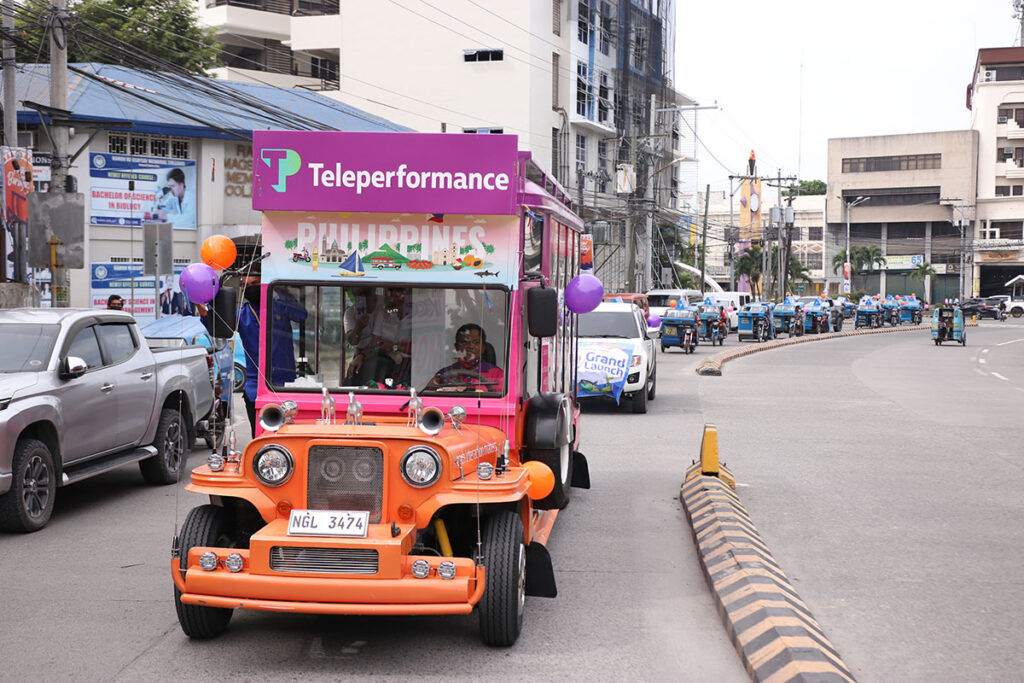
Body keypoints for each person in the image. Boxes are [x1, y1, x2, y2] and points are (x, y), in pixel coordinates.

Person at [425, 323, 503, 391]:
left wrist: (468, 390)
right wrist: (431, 386)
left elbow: (504, 404)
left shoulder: (497, 375)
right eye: (465, 342)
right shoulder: (444, 373)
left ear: (483, 348)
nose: (470, 346)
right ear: (457, 347)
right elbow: (427, 401)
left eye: (476, 342)